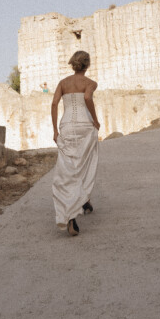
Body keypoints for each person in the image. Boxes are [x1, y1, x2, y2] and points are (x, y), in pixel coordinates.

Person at [50, 50, 100, 236]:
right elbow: (87, 98)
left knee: (68, 167)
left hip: (66, 126)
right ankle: (80, 202)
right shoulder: (90, 83)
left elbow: (54, 104)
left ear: (73, 64)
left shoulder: (63, 83)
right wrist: (95, 120)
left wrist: (55, 130)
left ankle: (79, 204)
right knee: (85, 164)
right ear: (87, 65)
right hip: (85, 126)